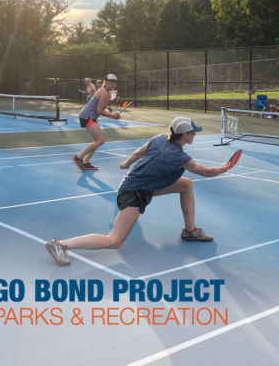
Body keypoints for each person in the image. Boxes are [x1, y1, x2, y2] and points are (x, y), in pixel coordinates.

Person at [46, 117, 229, 266]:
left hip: (142, 185)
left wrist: (126, 164)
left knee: (185, 184)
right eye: (193, 131)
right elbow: (205, 172)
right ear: (185, 135)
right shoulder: (179, 156)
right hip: (133, 193)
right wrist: (223, 169)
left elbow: (138, 153)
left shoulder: (160, 138)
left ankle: (189, 231)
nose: (195, 134)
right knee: (114, 241)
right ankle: (61, 245)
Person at [72, 74, 121, 171]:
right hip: (87, 116)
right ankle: (78, 157)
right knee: (100, 141)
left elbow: (99, 107)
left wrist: (109, 111)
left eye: (114, 82)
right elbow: (99, 110)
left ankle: (86, 162)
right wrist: (112, 115)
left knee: (97, 141)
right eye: (111, 82)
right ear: (106, 82)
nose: (113, 84)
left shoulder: (105, 91)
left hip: (89, 116)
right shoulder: (104, 92)